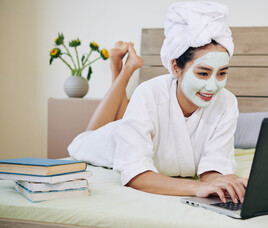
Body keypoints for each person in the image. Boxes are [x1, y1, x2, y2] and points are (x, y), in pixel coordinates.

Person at [68, 1, 247, 204]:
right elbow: (135, 174)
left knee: (125, 118)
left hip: (135, 126)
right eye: (203, 73)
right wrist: (197, 188)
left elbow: (214, 169)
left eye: (222, 73)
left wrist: (225, 184)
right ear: (175, 67)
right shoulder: (149, 93)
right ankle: (123, 70)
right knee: (85, 138)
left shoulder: (227, 103)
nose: (213, 86)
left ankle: (121, 70)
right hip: (110, 140)